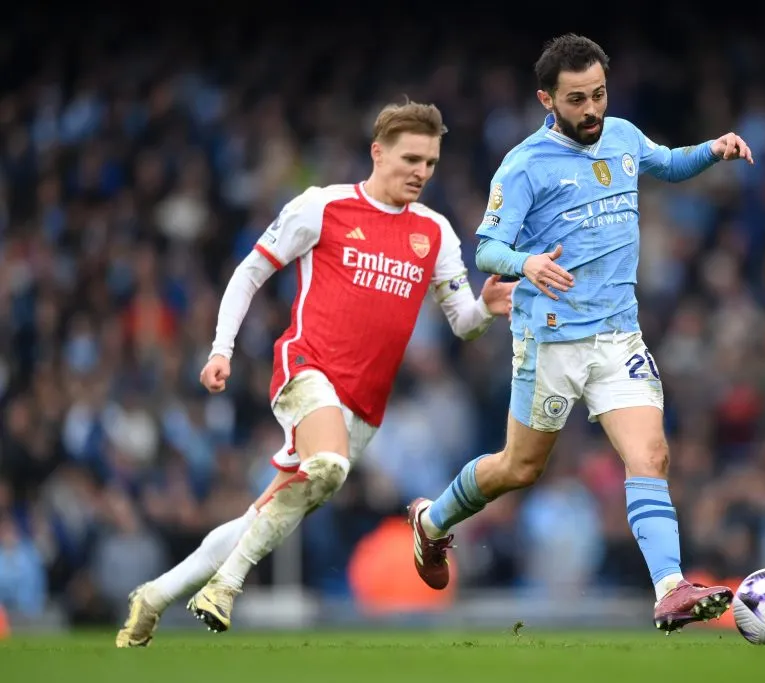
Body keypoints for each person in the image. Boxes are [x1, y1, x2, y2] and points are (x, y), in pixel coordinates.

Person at [115, 100, 515, 647]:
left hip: (365, 405)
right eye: (411, 158)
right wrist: (221, 349)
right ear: (378, 153)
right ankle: (225, 588)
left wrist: (488, 310)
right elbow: (250, 271)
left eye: (431, 162)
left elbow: (462, 323)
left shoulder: (436, 233)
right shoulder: (322, 207)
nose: (421, 172)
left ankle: (154, 596)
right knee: (326, 467)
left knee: (263, 514)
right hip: (307, 368)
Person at [407, 34, 754, 633]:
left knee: (651, 453)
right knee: (519, 468)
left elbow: (667, 163)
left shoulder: (619, 134)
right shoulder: (523, 166)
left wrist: (713, 149)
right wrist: (528, 264)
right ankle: (432, 523)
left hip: (618, 337)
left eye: (598, 94)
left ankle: (669, 589)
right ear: (547, 99)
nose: (591, 109)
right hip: (549, 339)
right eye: (576, 99)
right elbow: (487, 247)